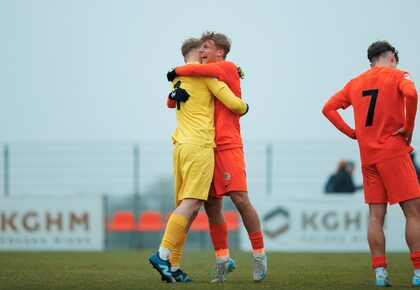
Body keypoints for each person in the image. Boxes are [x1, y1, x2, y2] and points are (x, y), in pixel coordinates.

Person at [167, 31, 267, 283]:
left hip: (228, 145)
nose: (201, 52)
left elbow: (196, 72)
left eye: (206, 48)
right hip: (205, 147)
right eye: (200, 48)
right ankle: (223, 259)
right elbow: (177, 99)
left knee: (240, 199)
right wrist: (172, 93)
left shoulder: (227, 67)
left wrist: (176, 70)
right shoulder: (205, 77)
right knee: (212, 207)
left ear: (220, 52)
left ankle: (259, 254)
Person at [148, 37, 248, 283]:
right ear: (194, 56)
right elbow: (235, 105)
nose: (205, 55)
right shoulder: (206, 77)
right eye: (202, 52)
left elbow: (170, 102)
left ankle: (173, 266)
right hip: (199, 146)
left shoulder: (179, 80)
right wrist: (245, 106)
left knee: (186, 209)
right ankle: (162, 255)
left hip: (179, 146)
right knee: (192, 205)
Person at [322, 40, 420, 287]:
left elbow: (328, 108)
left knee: (376, 217)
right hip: (394, 153)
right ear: (392, 57)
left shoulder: (356, 83)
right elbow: (412, 94)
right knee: (414, 213)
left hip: (369, 158)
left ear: (371, 61)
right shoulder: (398, 75)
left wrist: (353, 133)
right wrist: (408, 128)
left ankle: (380, 273)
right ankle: (418, 271)